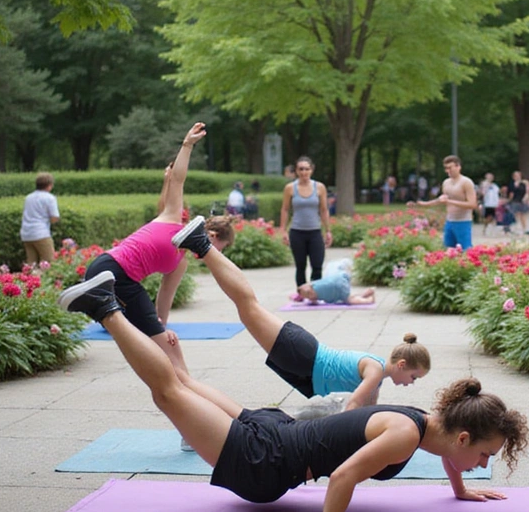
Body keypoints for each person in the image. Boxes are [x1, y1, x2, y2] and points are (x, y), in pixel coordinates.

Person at [57, 268, 529, 512]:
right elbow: (342, 478)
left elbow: (451, 454)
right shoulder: (407, 435)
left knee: (181, 386)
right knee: (168, 392)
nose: (482, 464)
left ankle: (116, 305)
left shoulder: (426, 421)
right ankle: (106, 308)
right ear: (463, 437)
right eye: (485, 455)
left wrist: (461, 489)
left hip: (278, 431)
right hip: (263, 461)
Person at [176, 218, 427, 409]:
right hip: (303, 355)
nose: (411, 383)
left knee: (246, 306)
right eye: (414, 377)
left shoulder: (377, 377)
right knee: (247, 304)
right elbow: (352, 408)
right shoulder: (375, 371)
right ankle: (202, 244)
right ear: (402, 365)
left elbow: (366, 415)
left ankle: (201, 244)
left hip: (303, 363)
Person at [83, 124, 234, 380]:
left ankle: (176, 384)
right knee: (168, 349)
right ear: (212, 236)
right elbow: (178, 180)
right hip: (110, 269)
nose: (220, 253)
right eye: (223, 248)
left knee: (161, 342)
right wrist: (187, 145)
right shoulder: (172, 219)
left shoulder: (180, 262)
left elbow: (165, 294)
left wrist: (161, 327)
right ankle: (185, 386)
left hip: (120, 280)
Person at [280, 156, 333, 290]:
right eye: (301, 169)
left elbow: (324, 210)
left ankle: (315, 292)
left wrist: (328, 231)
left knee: (317, 265)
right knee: (300, 266)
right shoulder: (290, 188)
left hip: (315, 231)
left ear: (312, 170)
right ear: (297, 171)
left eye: (307, 169)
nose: (304, 172)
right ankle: (301, 292)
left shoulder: (319, 187)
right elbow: (285, 209)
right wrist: (283, 230)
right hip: (297, 232)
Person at [411, 155, 477, 250]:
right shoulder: (446, 183)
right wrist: (423, 204)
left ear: (458, 167)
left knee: (465, 250)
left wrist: (450, 201)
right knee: (447, 250)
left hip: (463, 221)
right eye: (446, 168)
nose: (447, 171)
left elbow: (472, 204)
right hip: (449, 221)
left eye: (450, 168)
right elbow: (442, 200)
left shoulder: (466, 182)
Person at [293, 258, 375, 306]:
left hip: (338, 286)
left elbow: (314, 301)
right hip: (339, 279)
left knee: (349, 300)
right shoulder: (314, 284)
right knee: (348, 297)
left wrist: (310, 301)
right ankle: (366, 293)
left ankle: (368, 300)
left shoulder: (311, 294)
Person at [20, 172, 60, 265]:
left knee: (31, 264)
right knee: (48, 262)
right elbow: (54, 217)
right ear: (49, 185)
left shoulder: (28, 197)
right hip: (41, 233)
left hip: (26, 234)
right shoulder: (50, 198)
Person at [507, 170, 529, 236]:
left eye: (518, 175)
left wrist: (526, 198)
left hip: (522, 200)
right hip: (515, 201)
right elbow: (511, 193)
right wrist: (509, 201)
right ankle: (517, 228)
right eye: (515, 176)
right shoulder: (512, 184)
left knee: (523, 215)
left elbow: (527, 192)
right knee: (516, 215)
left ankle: (524, 229)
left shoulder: (524, 183)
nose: (517, 177)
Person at [479, 172, 500, 236]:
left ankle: (493, 230)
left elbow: (497, 193)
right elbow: (482, 193)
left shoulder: (494, 186)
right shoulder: (484, 184)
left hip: (494, 203)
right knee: (488, 217)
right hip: (488, 203)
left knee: (494, 217)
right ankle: (485, 229)